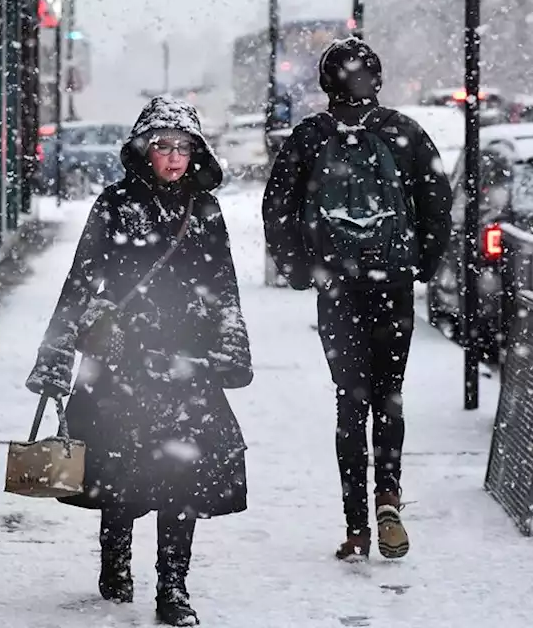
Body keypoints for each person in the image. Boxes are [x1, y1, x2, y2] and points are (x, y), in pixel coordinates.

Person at [27, 96, 252, 626]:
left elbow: (223, 284)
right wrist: (56, 351)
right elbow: (81, 279)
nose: (174, 158)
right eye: (163, 146)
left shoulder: (206, 209)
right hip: (121, 359)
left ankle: (174, 586)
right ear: (143, 150)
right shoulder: (114, 203)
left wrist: (230, 344)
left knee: (183, 474)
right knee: (118, 469)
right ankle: (117, 561)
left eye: (183, 147)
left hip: (186, 361)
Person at [262, 37, 452, 562]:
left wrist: (303, 271)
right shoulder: (406, 133)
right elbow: (438, 203)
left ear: (326, 84)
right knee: (389, 395)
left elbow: (276, 208)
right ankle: (388, 494)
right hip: (390, 284)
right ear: (377, 80)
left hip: (338, 288)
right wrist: (422, 267)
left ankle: (356, 528)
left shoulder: (308, 137)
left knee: (351, 403)